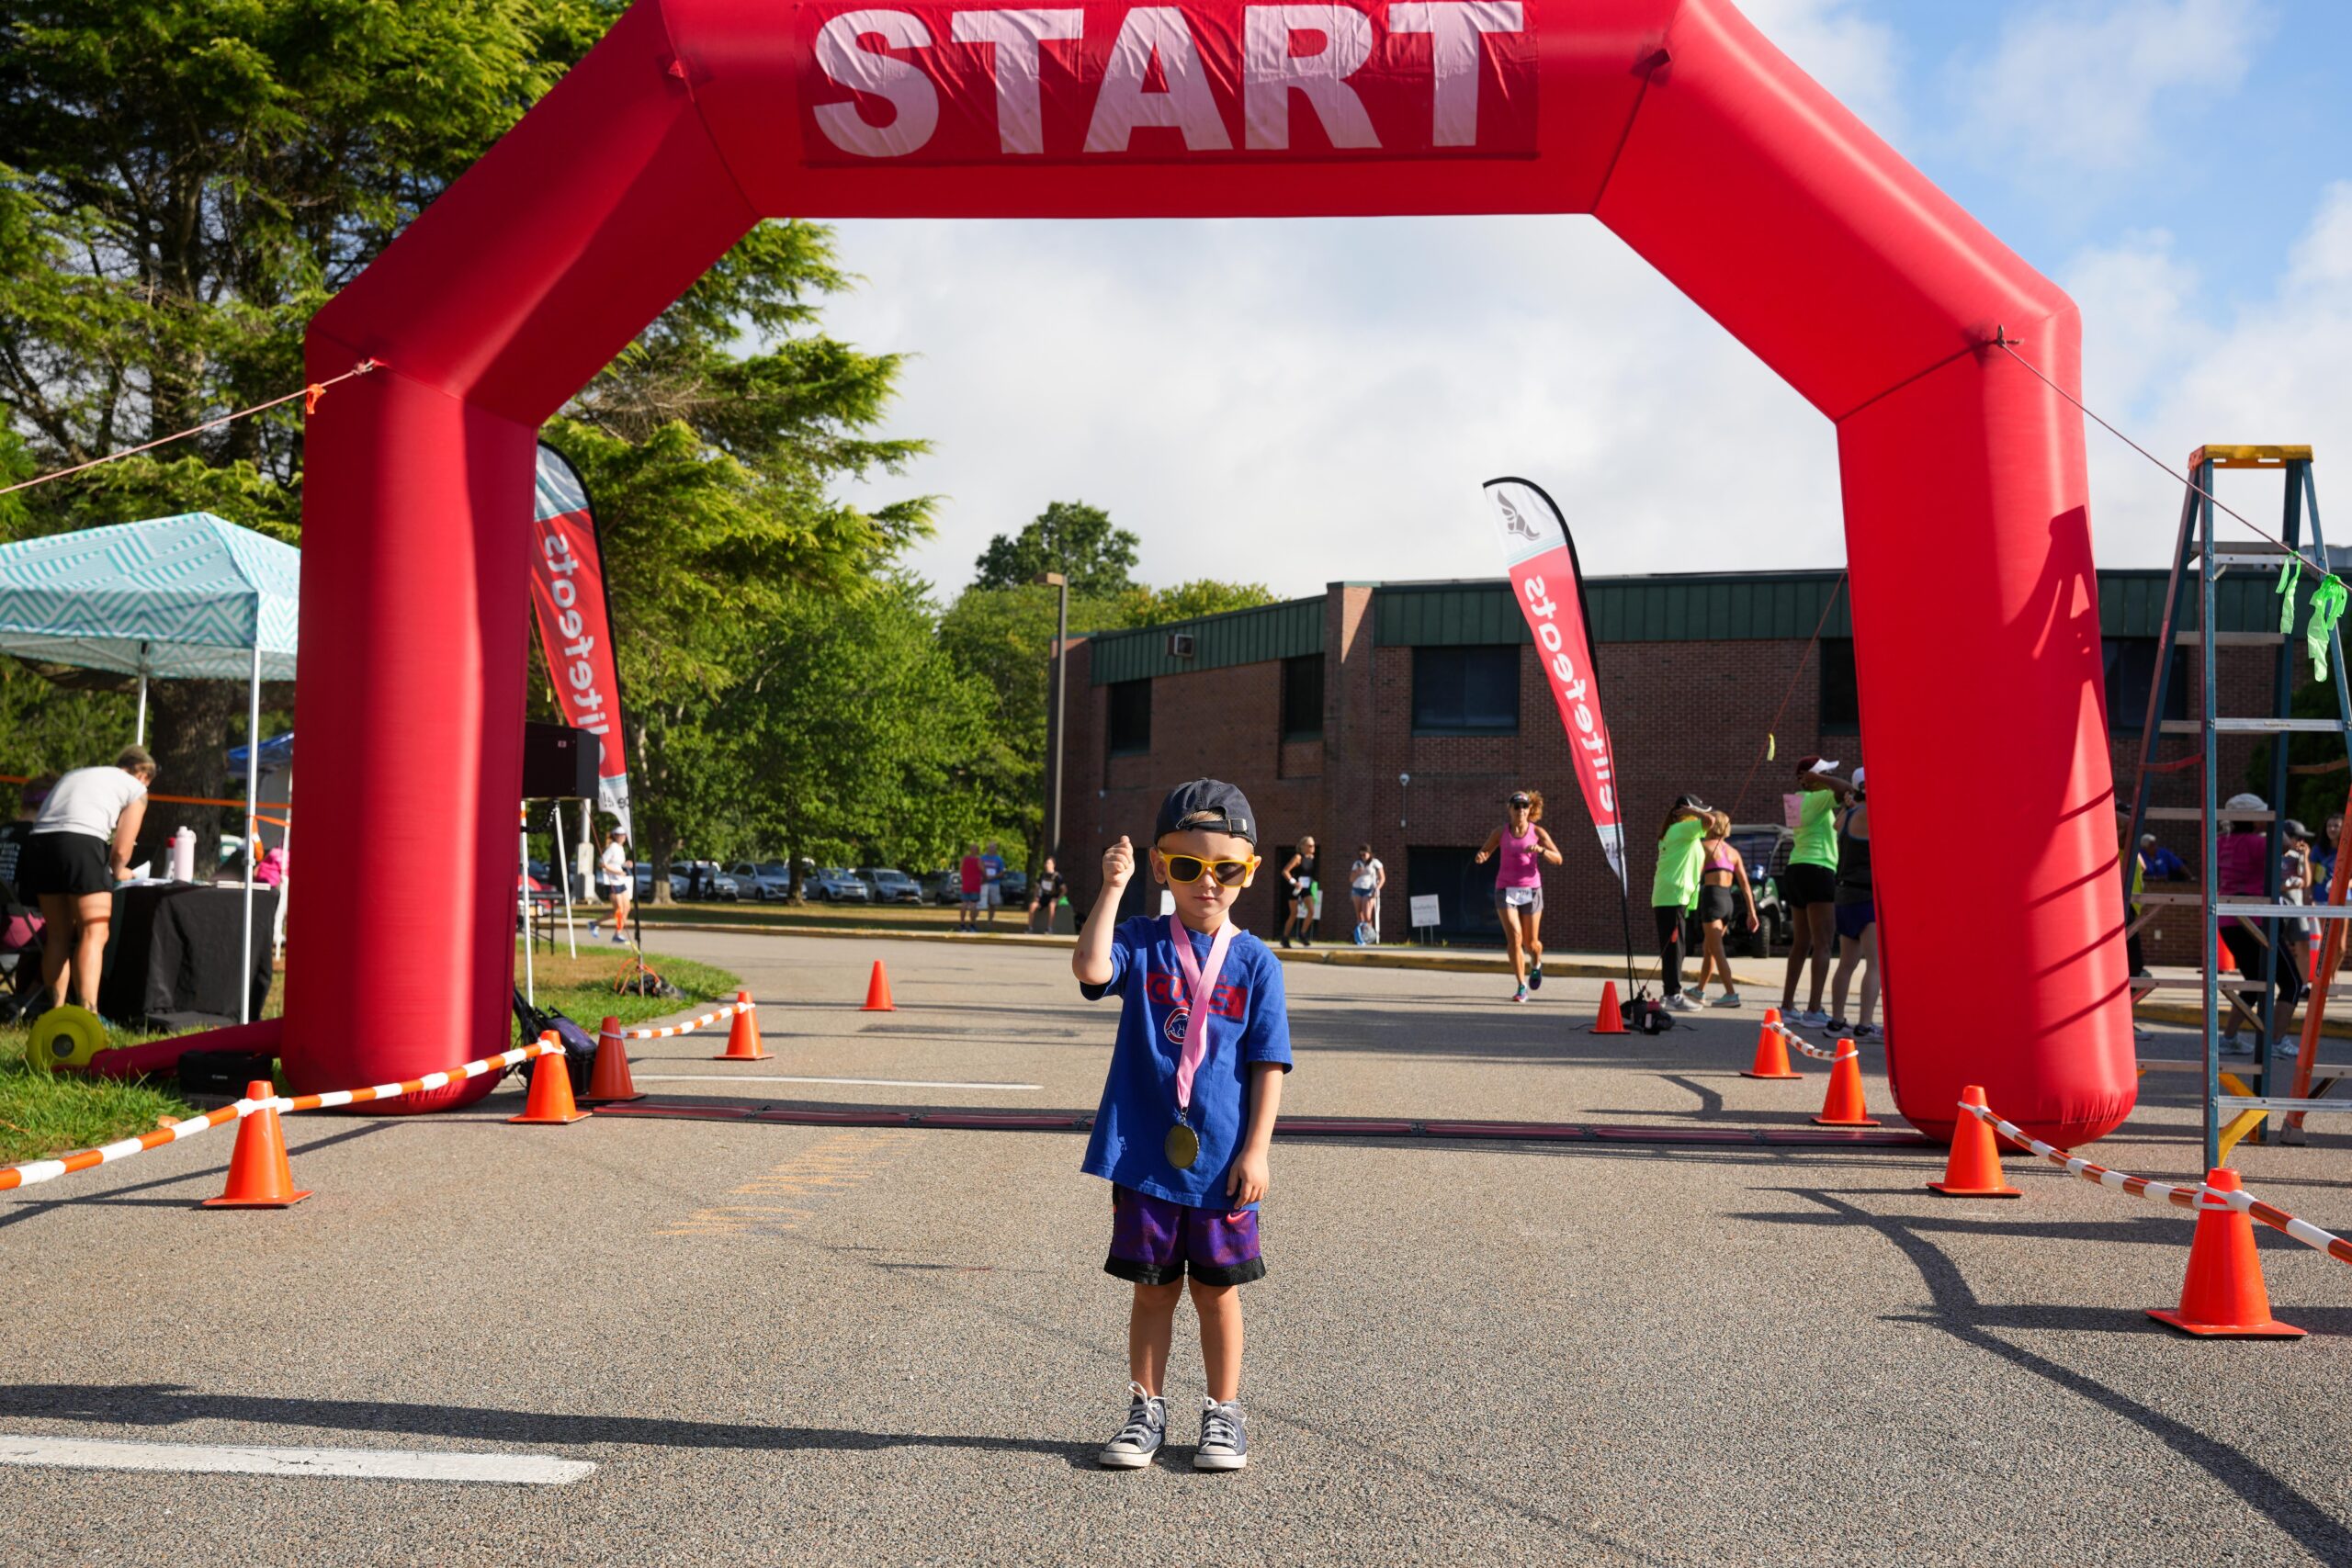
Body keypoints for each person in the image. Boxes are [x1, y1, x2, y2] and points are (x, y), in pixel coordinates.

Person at [1077, 780, 1291, 1472]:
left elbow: (1268, 1064)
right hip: (1146, 1157)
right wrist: (1113, 889)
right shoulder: (1141, 940)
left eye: (1227, 869)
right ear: (1162, 866)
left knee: (1216, 1291)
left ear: (1248, 873)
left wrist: (1257, 1150)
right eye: (1191, 866)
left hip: (1222, 1164)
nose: (1209, 883)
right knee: (1153, 1288)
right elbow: (1089, 966)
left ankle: (1224, 1413)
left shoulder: (1257, 962)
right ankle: (1146, 1409)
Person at [16, 746, 155, 1017]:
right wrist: (120, 871)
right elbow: (121, 851)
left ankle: (55, 1015)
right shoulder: (137, 789)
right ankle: (88, 1015)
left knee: (58, 935)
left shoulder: (79, 773)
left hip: (41, 843)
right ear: (141, 773)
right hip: (81, 844)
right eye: (148, 779)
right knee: (95, 933)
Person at [2217, 793, 2303, 1055]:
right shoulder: (2259, 844)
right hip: (2256, 919)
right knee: (2292, 983)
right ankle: (2276, 1042)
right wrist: (2274, 821)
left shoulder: (2221, 842)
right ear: (2255, 819)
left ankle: (2229, 1038)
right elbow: (2287, 843)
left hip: (2229, 920)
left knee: (2254, 980)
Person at [1780, 757, 1853, 1028]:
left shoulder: (1794, 801)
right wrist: (1819, 779)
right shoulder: (1819, 798)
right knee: (1823, 943)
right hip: (1819, 869)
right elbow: (1847, 788)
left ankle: (1787, 1006)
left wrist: (1814, 779)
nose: (1829, 777)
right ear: (1810, 778)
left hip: (1796, 868)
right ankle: (1813, 1010)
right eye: (1825, 773)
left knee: (1801, 942)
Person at [1474, 790, 1564, 1003]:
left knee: (1531, 943)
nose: (1521, 810)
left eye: (1524, 806)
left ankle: (1537, 963)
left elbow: (1558, 858)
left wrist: (1541, 851)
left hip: (1531, 890)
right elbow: (1485, 850)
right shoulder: (1500, 832)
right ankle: (1522, 985)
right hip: (1505, 890)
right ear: (1510, 810)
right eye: (1517, 806)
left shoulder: (1538, 832)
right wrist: (1481, 856)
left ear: (1530, 810)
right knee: (1514, 935)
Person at [1826, 771, 1881, 1039]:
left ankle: (1836, 1021)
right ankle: (1865, 1024)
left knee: (1846, 963)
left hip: (1844, 896)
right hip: (1866, 896)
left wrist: (1850, 802)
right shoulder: (1871, 815)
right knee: (1874, 963)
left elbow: (1836, 825)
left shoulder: (1846, 816)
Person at [1688, 811, 1758, 1009]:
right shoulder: (1734, 853)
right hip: (1728, 901)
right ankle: (1699, 990)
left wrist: (1684, 900)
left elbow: (1695, 876)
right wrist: (1752, 912)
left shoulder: (1705, 847)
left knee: (1717, 950)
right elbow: (1745, 884)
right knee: (1708, 948)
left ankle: (1731, 994)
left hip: (1712, 898)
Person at [1648, 795, 1711, 1011]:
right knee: (1675, 947)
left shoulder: (1675, 831)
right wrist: (1691, 813)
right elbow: (1711, 821)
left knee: (1675, 947)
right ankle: (1672, 994)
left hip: (1670, 895)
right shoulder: (1682, 829)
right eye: (1695, 811)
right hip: (1673, 895)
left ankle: (1670, 993)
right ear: (1684, 812)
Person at [589, 829, 632, 944]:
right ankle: (596, 924)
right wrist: (617, 872)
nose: (622, 837)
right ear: (615, 836)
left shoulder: (620, 848)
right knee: (618, 910)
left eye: (624, 835)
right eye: (619, 835)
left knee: (626, 908)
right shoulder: (612, 847)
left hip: (620, 881)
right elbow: (602, 863)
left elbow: (616, 863)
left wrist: (625, 864)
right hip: (612, 882)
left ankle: (617, 933)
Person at [1279, 836, 1319, 948]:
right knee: (1294, 913)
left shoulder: (1311, 858)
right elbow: (1285, 871)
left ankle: (1302, 934)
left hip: (1306, 888)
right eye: (1310, 845)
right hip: (1295, 888)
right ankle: (1285, 937)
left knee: (1311, 911)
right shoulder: (1298, 857)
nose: (1313, 847)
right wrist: (1294, 882)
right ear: (1303, 846)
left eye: (1314, 845)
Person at [1346, 843, 1385, 945]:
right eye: (1361, 855)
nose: (1363, 856)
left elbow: (1382, 878)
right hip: (1357, 889)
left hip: (1369, 890)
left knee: (1367, 914)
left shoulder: (1375, 863)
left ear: (1369, 853)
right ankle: (1360, 938)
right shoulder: (1357, 864)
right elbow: (1351, 879)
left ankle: (1369, 936)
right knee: (1359, 915)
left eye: (1365, 854)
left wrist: (1377, 888)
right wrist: (1358, 872)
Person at [1028, 855, 1066, 935]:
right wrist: (1036, 897)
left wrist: (1057, 899)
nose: (1047, 865)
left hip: (1053, 897)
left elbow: (1064, 889)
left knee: (1051, 905)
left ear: (1053, 865)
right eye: (1046, 863)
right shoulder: (1042, 875)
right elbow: (1036, 887)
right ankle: (1030, 928)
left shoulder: (1057, 877)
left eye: (1049, 863)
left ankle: (1049, 928)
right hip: (1043, 897)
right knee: (1032, 906)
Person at [957, 843, 983, 933]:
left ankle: (962, 924)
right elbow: (983, 870)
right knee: (973, 905)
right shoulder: (978, 860)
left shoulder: (964, 859)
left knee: (964, 904)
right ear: (977, 851)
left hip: (966, 884)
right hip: (975, 885)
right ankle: (972, 925)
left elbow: (960, 870)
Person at [979, 840, 1007, 927]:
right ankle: (975, 920)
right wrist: (984, 877)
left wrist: (993, 877)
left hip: (994, 883)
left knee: (992, 903)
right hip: (983, 883)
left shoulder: (999, 859)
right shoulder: (982, 858)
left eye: (993, 847)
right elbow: (978, 870)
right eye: (990, 847)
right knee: (980, 902)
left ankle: (990, 921)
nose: (991, 849)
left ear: (996, 849)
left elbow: (1002, 872)